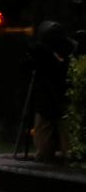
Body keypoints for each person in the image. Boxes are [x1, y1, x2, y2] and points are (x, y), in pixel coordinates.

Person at [28, 21, 79, 163]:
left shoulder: (66, 56)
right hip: (47, 105)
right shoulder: (46, 58)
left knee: (70, 151)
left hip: (64, 105)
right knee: (44, 149)